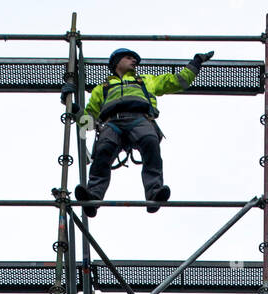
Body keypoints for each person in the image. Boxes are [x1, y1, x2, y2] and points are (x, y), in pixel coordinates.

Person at [69, 47, 214, 215]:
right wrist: (74, 109)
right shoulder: (102, 88)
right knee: (103, 151)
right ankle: (92, 197)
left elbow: (179, 81)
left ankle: (154, 193)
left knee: (150, 143)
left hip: (140, 118)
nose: (134, 61)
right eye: (129, 58)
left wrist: (196, 62)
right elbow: (88, 123)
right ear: (117, 62)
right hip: (112, 122)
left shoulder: (145, 80)